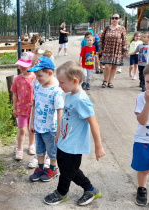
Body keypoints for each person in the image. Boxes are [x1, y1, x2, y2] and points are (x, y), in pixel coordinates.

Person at [44, 61, 105, 206]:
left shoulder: (82, 100)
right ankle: (91, 189)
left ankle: (61, 193)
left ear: (75, 81)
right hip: (65, 141)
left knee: (66, 171)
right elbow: (66, 117)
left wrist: (98, 146)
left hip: (74, 145)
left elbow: (93, 122)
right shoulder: (70, 94)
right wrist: (58, 133)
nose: (59, 85)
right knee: (69, 169)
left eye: (62, 82)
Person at [28, 56, 64, 182]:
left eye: (39, 75)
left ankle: (53, 169)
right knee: (40, 149)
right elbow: (34, 105)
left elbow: (60, 111)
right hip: (38, 125)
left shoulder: (56, 91)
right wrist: (31, 122)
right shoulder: (38, 87)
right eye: (36, 75)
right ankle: (41, 167)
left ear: (50, 73)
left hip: (50, 127)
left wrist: (59, 130)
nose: (37, 78)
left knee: (52, 150)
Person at [131, 63, 149, 206]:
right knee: (143, 168)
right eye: (148, 82)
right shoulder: (141, 97)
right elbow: (142, 121)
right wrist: (148, 102)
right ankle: (142, 189)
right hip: (143, 140)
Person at [11, 52, 36, 160]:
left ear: (32, 65)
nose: (22, 67)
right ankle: (20, 148)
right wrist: (14, 107)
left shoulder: (36, 78)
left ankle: (31, 145)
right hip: (21, 109)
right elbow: (15, 94)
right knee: (22, 130)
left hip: (33, 109)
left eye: (25, 66)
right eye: (21, 65)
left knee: (32, 129)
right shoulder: (17, 79)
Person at [99, 13, 128, 88]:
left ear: (119, 19)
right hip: (107, 49)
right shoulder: (107, 28)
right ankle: (105, 81)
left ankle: (110, 82)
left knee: (114, 67)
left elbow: (124, 40)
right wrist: (100, 48)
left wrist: (125, 50)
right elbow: (102, 38)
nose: (114, 19)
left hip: (117, 49)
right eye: (113, 18)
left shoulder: (122, 28)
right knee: (107, 66)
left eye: (116, 18)